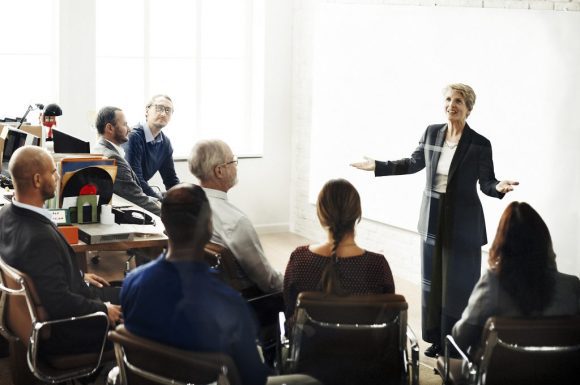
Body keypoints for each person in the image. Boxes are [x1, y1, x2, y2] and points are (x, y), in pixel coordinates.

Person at [351, 83, 519, 357]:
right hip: (432, 218)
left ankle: (458, 341)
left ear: (469, 109)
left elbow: (487, 182)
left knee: (459, 285)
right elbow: (414, 162)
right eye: (449, 99)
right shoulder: (431, 133)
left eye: (459, 102)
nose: (452, 105)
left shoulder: (479, 143)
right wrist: (378, 166)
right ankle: (437, 339)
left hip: (463, 224)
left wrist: (499, 187)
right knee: (433, 283)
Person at [120, 183, 269, 385]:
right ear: (208, 225)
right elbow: (253, 378)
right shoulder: (228, 304)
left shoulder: (132, 284)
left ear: (163, 223)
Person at [0, 146, 122, 355]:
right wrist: (104, 309)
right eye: (53, 171)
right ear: (37, 180)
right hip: (68, 328)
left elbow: (40, 272)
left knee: (128, 290)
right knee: (142, 302)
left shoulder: (5, 214)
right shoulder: (40, 237)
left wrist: (79, 276)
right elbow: (60, 302)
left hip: (54, 308)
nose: (58, 176)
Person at [452, 201, 580, 354]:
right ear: (545, 241)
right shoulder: (571, 286)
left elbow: (460, 338)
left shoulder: (492, 283)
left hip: (499, 376)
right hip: (555, 375)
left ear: (503, 244)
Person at [283, 178, 395, 319]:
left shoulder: (300, 258)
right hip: (364, 341)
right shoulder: (377, 265)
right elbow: (389, 317)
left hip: (313, 341)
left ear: (320, 215)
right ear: (357, 214)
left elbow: (289, 310)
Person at [188, 139, 283, 293]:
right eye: (233, 161)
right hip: (247, 302)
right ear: (219, 171)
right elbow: (269, 282)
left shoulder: (184, 206)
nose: (236, 167)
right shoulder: (235, 222)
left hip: (202, 292)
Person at [94, 106, 161, 216]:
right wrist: (170, 217)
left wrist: (157, 200)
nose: (129, 129)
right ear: (110, 128)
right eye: (125, 124)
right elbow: (137, 199)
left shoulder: (99, 148)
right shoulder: (112, 158)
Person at [123, 94, 180, 199]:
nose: (163, 114)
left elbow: (171, 180)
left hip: (140, 193)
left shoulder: (165, 143)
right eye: (159, 108)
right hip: (125, 194)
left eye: (168, 110)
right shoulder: (133, 137)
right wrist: (160, 200)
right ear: (146, 111)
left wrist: (184, 198)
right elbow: (136, 179)